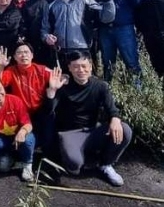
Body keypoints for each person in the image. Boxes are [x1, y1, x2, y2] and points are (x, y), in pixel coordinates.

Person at [46, 51, 132, 186]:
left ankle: (106, 164)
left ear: (91, 66)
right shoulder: (63, 86)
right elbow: (48, 111)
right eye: (76, 66)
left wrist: (115, 119)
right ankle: (83, 156)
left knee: (125, 130)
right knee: (74, 167)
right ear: (69, 68)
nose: (81, 70)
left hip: (92, 131)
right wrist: (52, 90)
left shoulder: (100, 86)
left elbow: (112, 109)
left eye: (84, 66)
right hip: (70, 133)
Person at [41, 0, 115, 74]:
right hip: (60, 52)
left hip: (83, 50)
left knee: (87, 83)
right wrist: (46, 37)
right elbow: (45, 29)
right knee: (65, 85)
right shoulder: (51, 6)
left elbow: (107, 18)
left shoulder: (85, 0)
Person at [98, 0, 142, 84]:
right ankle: (109, 94)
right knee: (108, 64)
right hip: (105, 28)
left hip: (124, 27)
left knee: (131, 62)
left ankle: (137, 95)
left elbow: (137, 3)